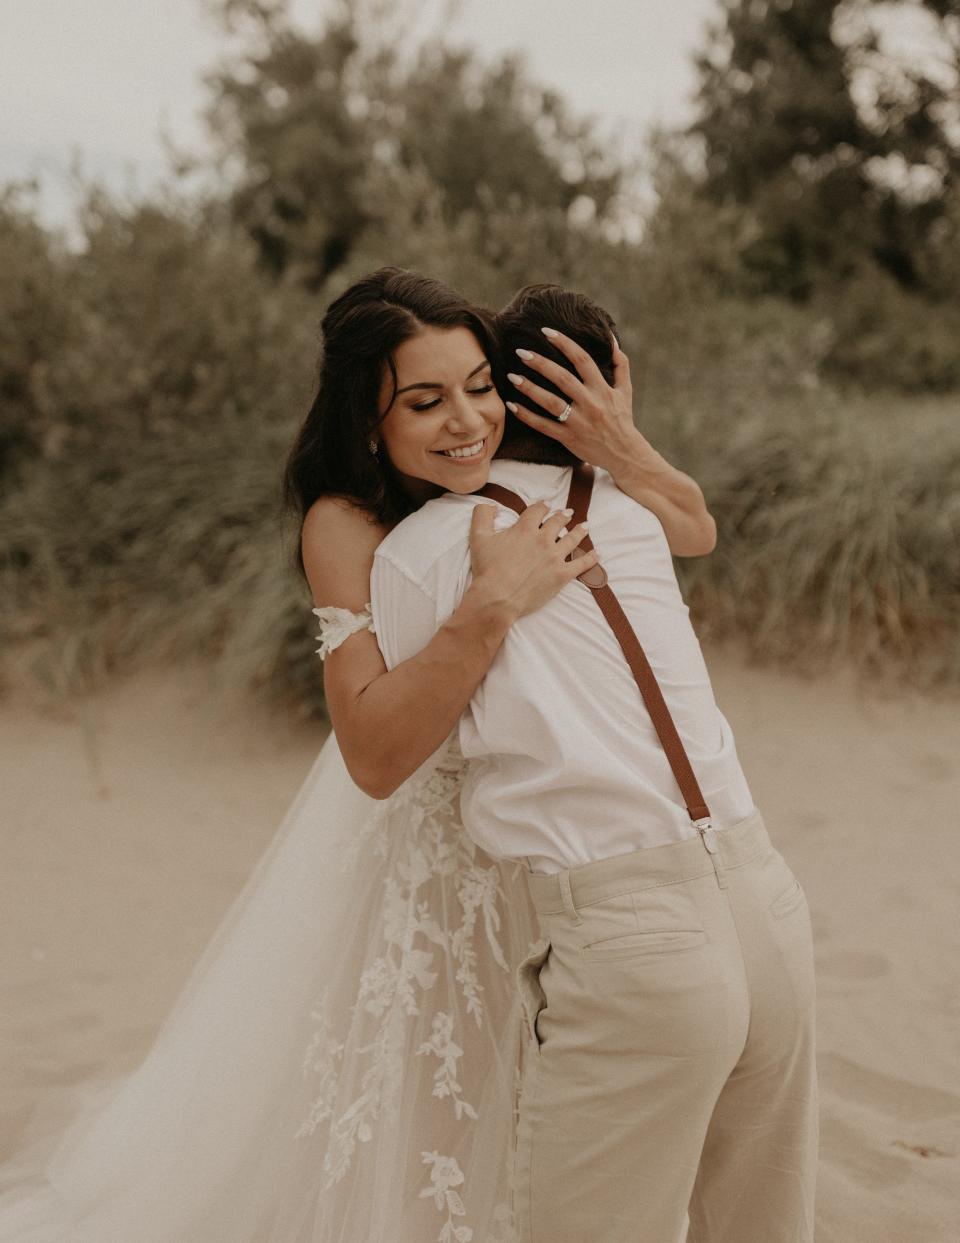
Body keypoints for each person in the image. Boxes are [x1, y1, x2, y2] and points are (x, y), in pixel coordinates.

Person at [0, 268, 710, 1243]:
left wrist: (623, 446)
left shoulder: (530, 483)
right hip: (431, 865)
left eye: (478, 386)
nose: (466, 420)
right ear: (369, 423)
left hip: (550, 856)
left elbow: (693, 531)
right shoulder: (348, 524)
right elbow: (371, 751)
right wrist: (493, 600)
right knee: (426, 1106)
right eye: (424, 401)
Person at [369, 283, 819, 1243]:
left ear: (504, 394)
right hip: (768, 903)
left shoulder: (422, 551)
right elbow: (697, 523)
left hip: (633, 945)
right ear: (609, 384)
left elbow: (415, 742)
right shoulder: (639, 515)